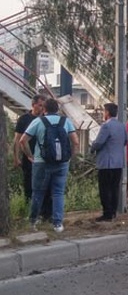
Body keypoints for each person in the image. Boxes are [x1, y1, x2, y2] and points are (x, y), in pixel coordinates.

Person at [19, 98, 79, 233]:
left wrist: (30, 156)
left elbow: (23, 140)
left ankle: (33, 221)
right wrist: (70, 158)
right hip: (62, 162)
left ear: (44, 109)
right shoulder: (65, 121)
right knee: (58, 193)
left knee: (38, 193)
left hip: (41, 162)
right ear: (57, 109)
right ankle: (57, 224)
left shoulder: (38, 121)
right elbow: (75, 142)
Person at [13, 94, 53, 220]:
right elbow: (17, 140)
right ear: (33, 104)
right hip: (29, 158)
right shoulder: (24, 119)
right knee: (29, 184)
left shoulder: (47, 119)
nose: (42, 108)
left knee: (46, 185)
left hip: (45, 158)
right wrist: (16, 157)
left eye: (43, 106)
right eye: (40, 105)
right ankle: (30, 210)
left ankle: (45, 213)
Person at [91, 103, 128, 222]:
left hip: (106, 162)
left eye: (104, 111)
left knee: (104, 188)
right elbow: (127, 140)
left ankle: (106, 213)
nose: (103, 114)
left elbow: (99, 142)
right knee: (114, 187)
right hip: (118, 162)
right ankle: (113, 212)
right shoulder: (122, 126)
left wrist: (92, 148)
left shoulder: (106, 126)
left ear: (107, 113)